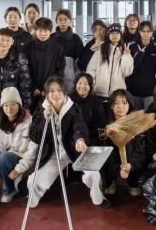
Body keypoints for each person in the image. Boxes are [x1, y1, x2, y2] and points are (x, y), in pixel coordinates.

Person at [27, 76, 110, 209]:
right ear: (46, 94)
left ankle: (99, 199)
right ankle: (31, 199)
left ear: (65, 92)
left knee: (94, 174)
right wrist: (45, 120)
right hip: (53, 154)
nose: (56, 94)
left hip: (73, 150)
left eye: (59, 90)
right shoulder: (41, 110)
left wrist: (80, 139)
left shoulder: (72, 107)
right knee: (33, 180)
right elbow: (35, 136)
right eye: (52, 91)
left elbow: (79, 126)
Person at [101, 89, 146, 198]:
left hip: (131, 162)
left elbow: (140, 152)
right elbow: (106, 153)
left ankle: (133, 182)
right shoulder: (106, 125)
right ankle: (110, 181)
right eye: (116, 103)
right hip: (114, 162)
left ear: (130, 104)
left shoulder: (137, 124)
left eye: (124, 103)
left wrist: (130, 166)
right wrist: (118, 167)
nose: (120, 106)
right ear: (111, 106)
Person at [0, 28, 32, 109]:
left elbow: (25, 84)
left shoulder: (19, 58)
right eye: (2, 39)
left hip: (12, 103)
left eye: (8, 40)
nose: (4, 43)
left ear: (12, 42)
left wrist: (26, 106)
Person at [24, 17, 65, 112]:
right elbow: (24, 70)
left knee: (49, 116)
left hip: (49, 92)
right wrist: (33, 88)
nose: (42, 34)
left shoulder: (58, 48)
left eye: (45, 31)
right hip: (31, 91)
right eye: (40, 30)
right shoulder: (28, 47)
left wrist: (48, 89)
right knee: (31, 116)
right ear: (35, 31)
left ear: (50, 31)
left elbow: (60, 71)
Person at [86, 23, 134, 99]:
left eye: (117, 33)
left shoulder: (124, 51)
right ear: (108, 35)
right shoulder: (101, 49)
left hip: (117, 94)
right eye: (112, 33)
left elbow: (127, 73)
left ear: (121, 35)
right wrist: (92, 85)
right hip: (98, 93)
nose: (115, 35)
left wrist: (126, 56)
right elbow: (91, 69)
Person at [126, 20, 156, 109]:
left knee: (148, 116)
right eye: (143, 31)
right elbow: (129, 68)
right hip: (133, 91)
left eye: (148, 31)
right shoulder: (131, 46)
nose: (146, 34)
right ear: (139, 32)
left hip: (150, 92)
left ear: (152, 33)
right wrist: (138, 55)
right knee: (135, 116)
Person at [51, 9, 84, 91]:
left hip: (70, 72)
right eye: (60, 19)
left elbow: (80, 58)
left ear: (70, 21)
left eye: (65, 19)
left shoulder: (75, 38)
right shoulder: (51, 37)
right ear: (56, 21)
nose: (63, 22)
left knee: (70, 93)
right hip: (53, 70)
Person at [69, 73, 105, 146]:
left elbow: (100, 123)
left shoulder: (96, 101)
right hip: (73, 138)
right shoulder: (69, 100)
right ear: (75, 84)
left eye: (86, 84)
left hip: (91, 137)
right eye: (80, 83)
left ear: (90, 86)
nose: (82, 86)